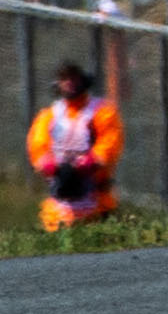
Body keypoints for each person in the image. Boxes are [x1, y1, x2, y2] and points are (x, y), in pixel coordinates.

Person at [28, 61, 119, 231]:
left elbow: (109, 143)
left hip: (97, 205)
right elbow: (38, 145)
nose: (69, 83)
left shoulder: (102, 112)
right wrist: (48, 164)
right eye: (64, 79)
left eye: (73, 78)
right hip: (58, 211)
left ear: (83, 80)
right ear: (58, 84)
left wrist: (90, 162)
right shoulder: (49, 116)